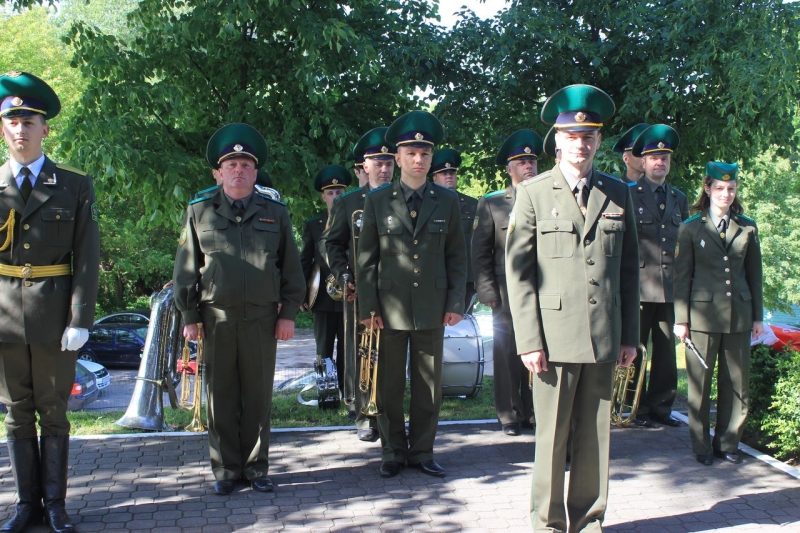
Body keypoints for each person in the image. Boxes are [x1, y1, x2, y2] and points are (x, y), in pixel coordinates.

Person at [505, 84, 640, 532]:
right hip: (553, 340)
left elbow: (629, 272)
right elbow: (519, 274)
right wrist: (528, 340)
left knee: (594, 437)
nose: (580, 145)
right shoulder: (534, 193)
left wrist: (629, 336)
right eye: (572, 136)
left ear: (598, 141)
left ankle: (588, 519)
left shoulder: (619, 193)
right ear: (557, 141)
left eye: (589, 137)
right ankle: (547, 522)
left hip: (604, 335)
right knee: (552, 437)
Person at [172, 122, 305, 495]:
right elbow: (185, 269)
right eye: (231, 164)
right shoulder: (199, 211)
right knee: (221, 397)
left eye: (246, 164)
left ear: (255, 170)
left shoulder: (275, 212)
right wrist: (189, 317)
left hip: (263, 319)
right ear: (218, 172)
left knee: (258, 396)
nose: (239, 170)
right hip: (216, 319)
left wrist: (289, 313)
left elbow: (290, 267)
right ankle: (227, 470)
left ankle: (256, 468)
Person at [0, 71, 100, 533]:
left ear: (45, 128)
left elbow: (87, 256)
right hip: (2, 317)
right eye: (12, 119)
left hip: (55, 315)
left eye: (30, 119)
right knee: (16, 411)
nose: (21, 128)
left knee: (53, 409)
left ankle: (55, 505)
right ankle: (25, 506)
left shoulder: (74, 185)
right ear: (3, 127)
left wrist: (81, 317)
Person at [357, 110, 467, 479]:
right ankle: (391, 451)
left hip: (433, 308)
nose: (418, 160)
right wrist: (368, 307)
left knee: (428, 385)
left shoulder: (447, 201)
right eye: (411, 153)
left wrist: (455, 304)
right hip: (388, 309)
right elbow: (367, 261)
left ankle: (422, 451)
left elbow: (457, 256)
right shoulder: (377, 201)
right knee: (388, 385)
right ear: (398, 158)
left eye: (425, 153)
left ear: (431, 158)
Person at [673, 161, 763, 466]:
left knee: (736, 386)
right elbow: (682, 278)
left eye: (731, 188)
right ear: (708, 189)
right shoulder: (690, 228)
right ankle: (701, 447)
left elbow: (754, 275)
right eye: (720, 188)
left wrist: (758, 318)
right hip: (701, 319)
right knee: (699, 387)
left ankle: (728, 443)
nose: (726, 194)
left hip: (738, 315)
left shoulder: (747, 227)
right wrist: (681, 320)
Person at [319, 127, 395, 442]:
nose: (384, 166)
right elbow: (329, 243)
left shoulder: (405, 197)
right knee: (362, 354)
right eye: (377, 161)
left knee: (392, 356)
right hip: (360, 292)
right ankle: (365, 416)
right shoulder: (349, 203)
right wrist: (343, 273)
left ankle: (390, 417)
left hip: (399, 292)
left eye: (389, 160)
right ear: (364, 166)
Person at [472, 129, 540, 437]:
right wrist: (486, 289)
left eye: (532, 161)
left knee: (541, 350)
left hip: (544, 289)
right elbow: (481, 251)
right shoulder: (493, 204)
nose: (528, 166)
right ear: (509, 169)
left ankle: (536, 410)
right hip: (505, 292)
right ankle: (509, 414)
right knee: (506, 352)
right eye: (521, 162)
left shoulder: (548, 199)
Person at [628, 124, 688, 428]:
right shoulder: (628, 194)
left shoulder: (679, 197)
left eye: (664, 157)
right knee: (634, 350)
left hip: (668, 288)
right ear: (642, 162)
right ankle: (633, 408)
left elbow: (683, 245)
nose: (659, 162)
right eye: (653, 157)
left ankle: (661, 409)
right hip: (638, 288)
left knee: (665, 354)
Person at [300, 165, 351, 394]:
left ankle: (347, 391)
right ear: (323, 197)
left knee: (348, 347)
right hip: (321, 294)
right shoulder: (313, 225)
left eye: (339, 192)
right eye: (330, 193)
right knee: (324, 347)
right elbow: (305, 260)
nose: (335, 196)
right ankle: (326, 392)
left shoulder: (356, 220)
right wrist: (302, 294)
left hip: (349, 291)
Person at [430, 148, 478, 312]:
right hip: (433, 277)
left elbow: (478, 243)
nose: (449, 176)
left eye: (452, 172)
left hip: (464, 279)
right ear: (434, 177)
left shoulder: (473, 205)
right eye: (444, 173)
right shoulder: (425, 205)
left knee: (462, 331)